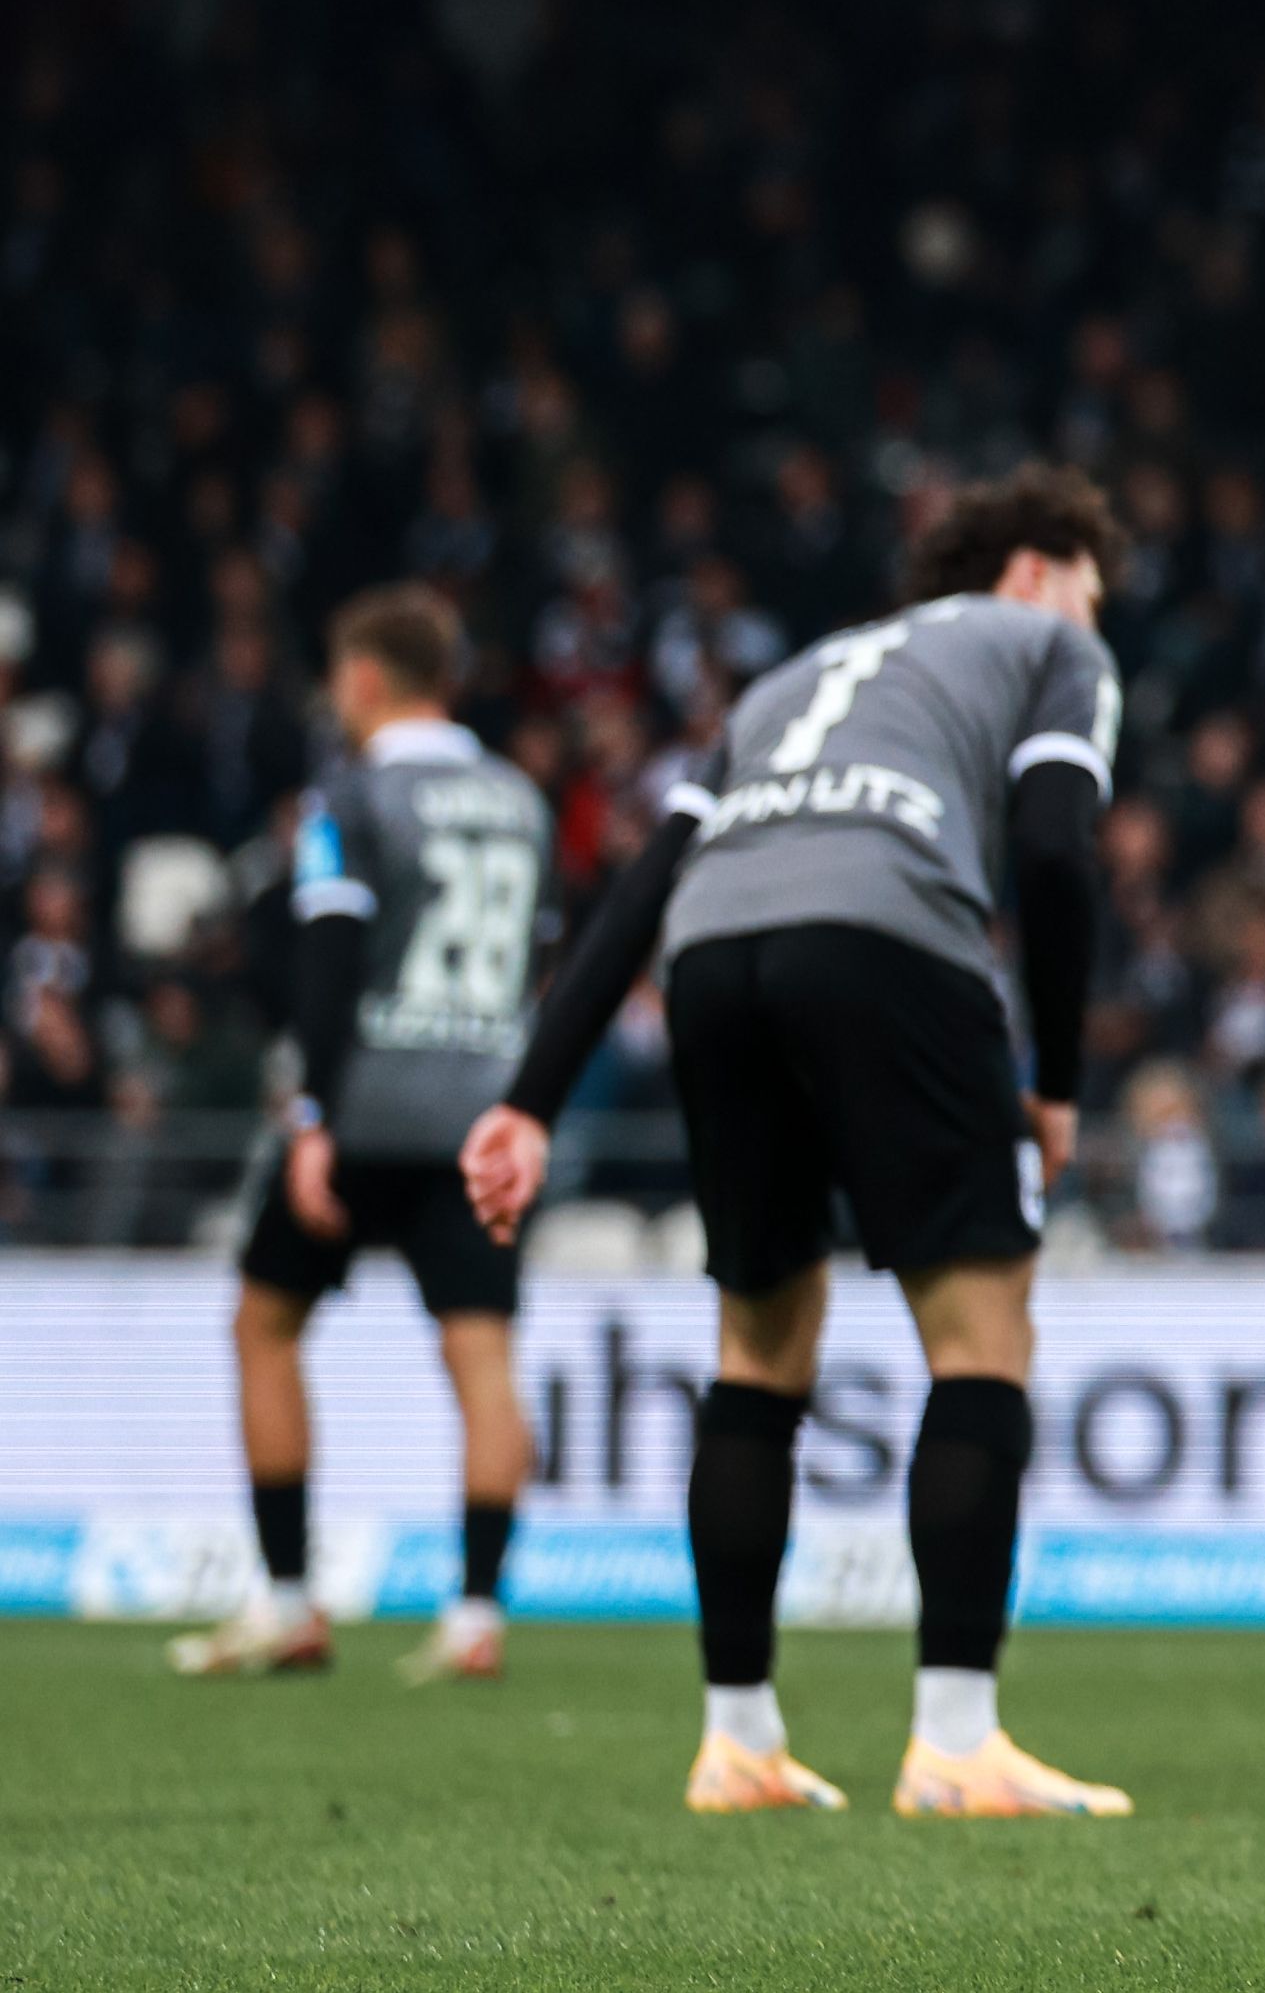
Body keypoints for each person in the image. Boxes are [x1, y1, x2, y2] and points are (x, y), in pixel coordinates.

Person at [463, 465, 1128, 1821]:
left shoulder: (787, 683)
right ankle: (954, 1741)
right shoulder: (1049, 646)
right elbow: (1059, 854)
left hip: (715, 957)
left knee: (757, 1348)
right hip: (889, 937)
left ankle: (738, 1739)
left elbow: (645, 886)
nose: (1095, 618)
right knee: (981, 1333)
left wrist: (529, 1096)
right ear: (1036, 570)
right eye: (1092, 590)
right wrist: (1054, 1078)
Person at [170, 586, 548, 1686]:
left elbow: (330, 958)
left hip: (369, 1101)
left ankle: (289, 1600)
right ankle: (476, 1615)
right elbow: (537, 954)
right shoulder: (519, 798)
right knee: (481, 1354)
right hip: (481, 1103)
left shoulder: (349, 793)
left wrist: (312, 1114)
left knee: (264, 1322)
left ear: (367, 679)